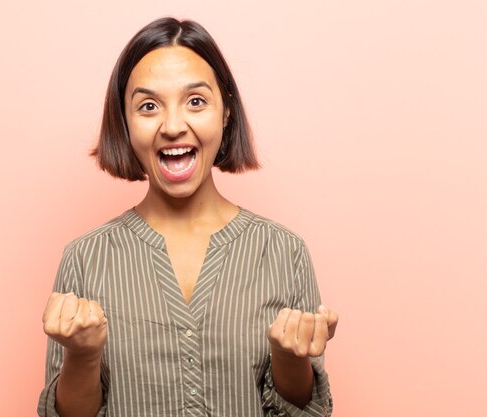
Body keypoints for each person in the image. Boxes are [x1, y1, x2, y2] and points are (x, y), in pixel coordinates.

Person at [38, 17, 338, 417]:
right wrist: (83, 355)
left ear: (226, 111)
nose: (174, 126)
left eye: (196, 101)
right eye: (148, 106)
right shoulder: (85, 258)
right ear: (125, 124)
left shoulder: (284, 252)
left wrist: (289, 359)